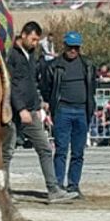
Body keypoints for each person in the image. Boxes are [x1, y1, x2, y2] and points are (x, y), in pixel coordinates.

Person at [1, 21, 71, 203]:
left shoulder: (31, 54)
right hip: (14, 112)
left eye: (37, 40)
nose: (34, 43)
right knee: (7, 152)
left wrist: (39, 101)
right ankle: (4, 192)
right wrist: (21, 108)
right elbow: (12, 84)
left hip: (31, 109)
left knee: (45, 148)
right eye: (32, 39)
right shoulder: (11, 55)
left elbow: (31, 82)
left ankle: (53, 189)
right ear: (23, 35)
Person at [40, 31, 96, 199]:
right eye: (70, 47)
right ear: (64, 46)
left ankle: (74, 185)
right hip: (63, 111)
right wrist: (51, 104)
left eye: (76, 47)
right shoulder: (54, 66)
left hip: (82, 111)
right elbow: (45, 87)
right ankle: (58, 186)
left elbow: (92, 86)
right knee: (61, 150)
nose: (73, 50)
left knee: (78, 152)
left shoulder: (88, 65)